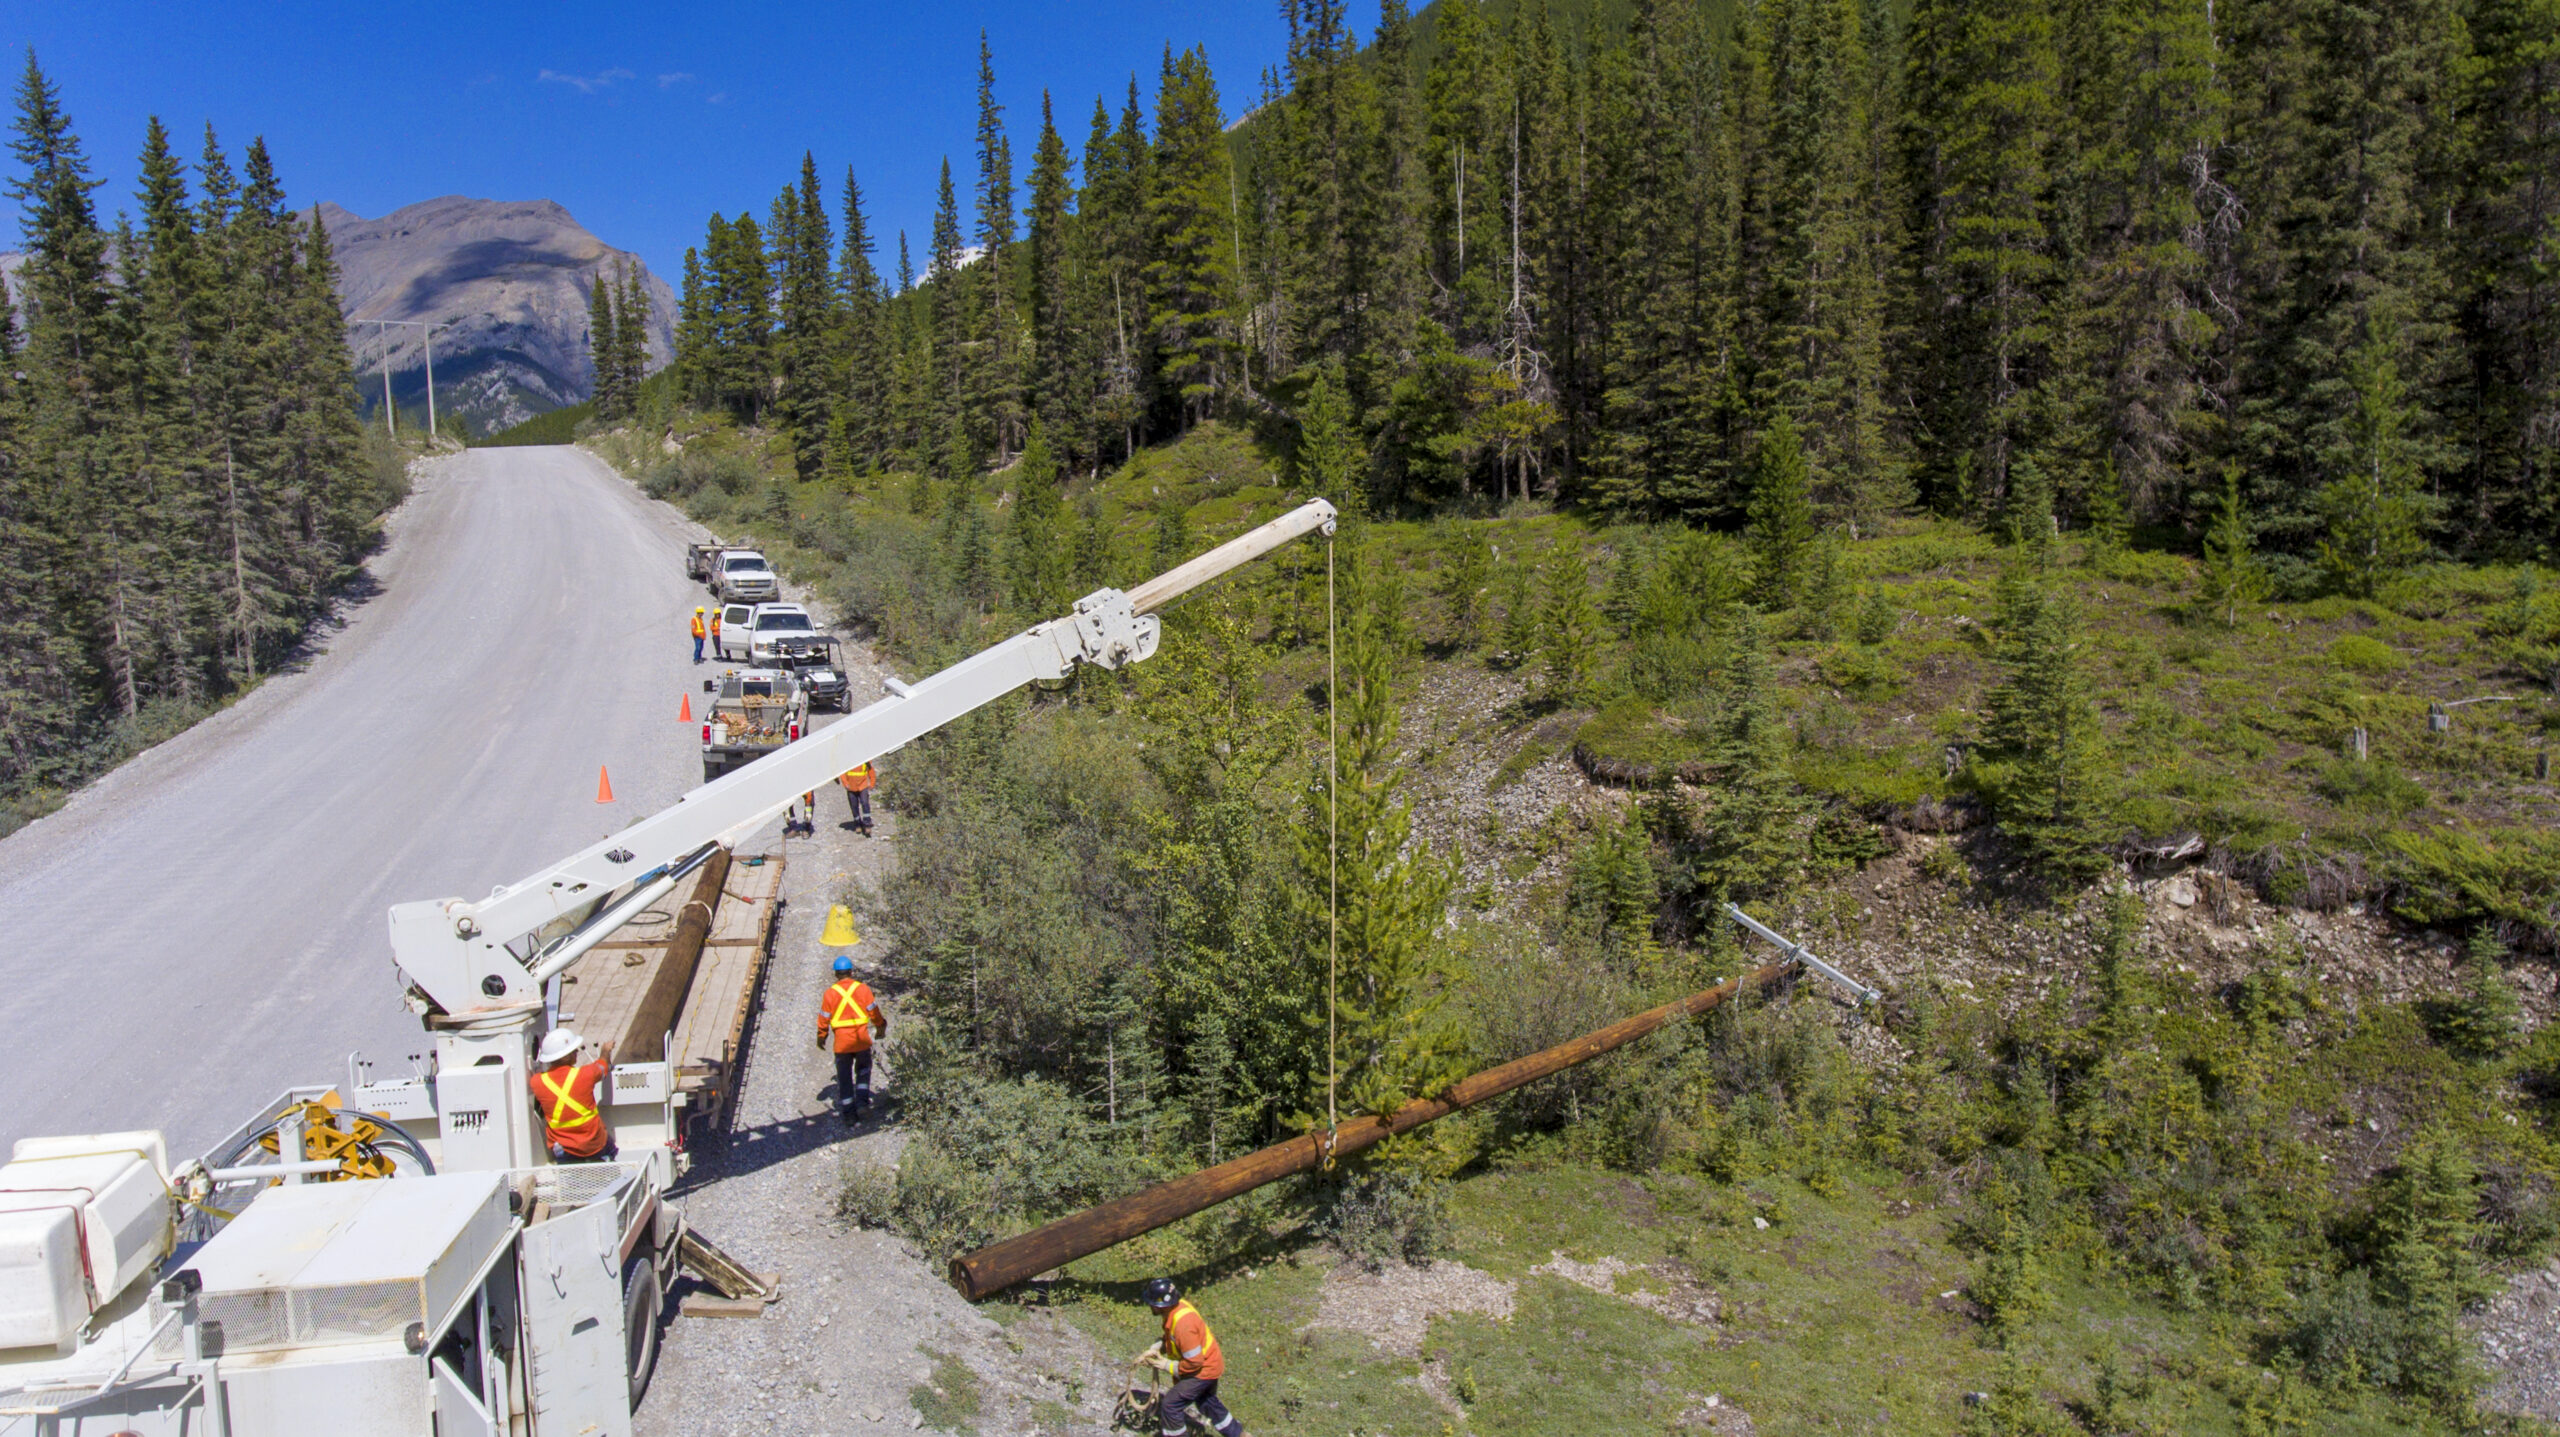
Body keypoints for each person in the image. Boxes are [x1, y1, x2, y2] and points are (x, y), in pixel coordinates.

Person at [1133, 1279, 1246, 1437]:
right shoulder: (1176, 1310)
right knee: (1206, 1401)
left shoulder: (1183, 1324)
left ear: (1161, 1305)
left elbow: (1194, 1362)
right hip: (1210, 1364)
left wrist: (1166, 1365)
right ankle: (1238, 1434)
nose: (1149, 1306)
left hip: (1203, 1369)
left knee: (1171, 1405)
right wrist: (1159, 1346)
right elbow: (1175, 1340)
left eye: (1152, 1303)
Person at [530, 1029, 616, 1163]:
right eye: (573, 1050)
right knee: (610, 1149)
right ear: (565, 1057)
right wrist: (605, 1050)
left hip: (563, 1149)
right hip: (594, 1144)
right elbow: (603, 1066)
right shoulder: (586, 1074)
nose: (577, 1052)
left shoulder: (537, 1082)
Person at [817, 956, 885, 1122]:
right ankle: (862, 1103)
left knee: (845, 1077)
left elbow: (824, 1018)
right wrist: (880, 1027)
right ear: (851, 972)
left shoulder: (830, 993)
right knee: (863, 1070)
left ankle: (849, 1114)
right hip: (860, 1039)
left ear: (836, 974)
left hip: (842, 1044)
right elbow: (874, 1012)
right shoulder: (862, 989)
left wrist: (821, 1037)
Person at [839, 762, 876, 836]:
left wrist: (872, 783)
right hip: (851, 787)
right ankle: (857, 824)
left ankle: (867, 824)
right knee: (854, 805)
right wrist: (845, 783)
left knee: (865, 803)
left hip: (863, 786)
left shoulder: (865, 759)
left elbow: (871, 771)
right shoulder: (847, 760)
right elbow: (842, 773)